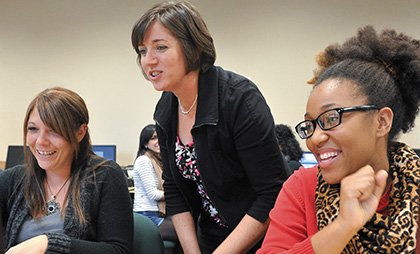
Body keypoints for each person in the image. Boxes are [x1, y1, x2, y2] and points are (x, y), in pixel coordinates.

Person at [131, 1, 288, 253]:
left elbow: (271, 194)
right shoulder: (166, 107)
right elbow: (174, 188)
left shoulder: (239, 99)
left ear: (192, 47)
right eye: (142, 51)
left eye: (160, 47)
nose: (148, 61)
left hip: (261, 239)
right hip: (211, 235)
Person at [258, 26, 420, 253]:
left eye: (332, 118)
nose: (315, 138)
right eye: (310, 124)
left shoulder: (414, 188)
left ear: (381, 121)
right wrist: (342, 227)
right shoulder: (301, 188)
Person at [0, 87, 133, 253]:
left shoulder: (105, 175)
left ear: (80, 132)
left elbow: (118, 250)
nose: (41, 141)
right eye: (33, 129)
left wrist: (49, 243)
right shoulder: (12, 179)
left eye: (54, 131)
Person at [133, 124, 165, 226]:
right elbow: (153, 194)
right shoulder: (144, 160)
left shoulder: (159, 161)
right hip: (147, 215)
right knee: (184, 231)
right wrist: (175, 195)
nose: (158, 141)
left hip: (157, 213)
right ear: (145, 144)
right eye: (154, 138)